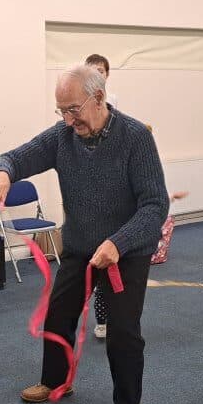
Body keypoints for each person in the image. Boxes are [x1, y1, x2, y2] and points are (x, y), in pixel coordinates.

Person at [0, 64, 168, 404]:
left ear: (98, 98)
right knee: (58, 317)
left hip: (125, 253)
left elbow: (155, 205)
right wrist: (2, 173)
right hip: (81, 247)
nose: (68, 120)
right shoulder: (62, 137)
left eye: (74, 109)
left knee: (122, 331)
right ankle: (55, 381)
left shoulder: (135, 137)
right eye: (61, 110)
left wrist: (119, 242)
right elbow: (16, 157)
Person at [86, 53, 117, 339]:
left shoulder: (114, 106)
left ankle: (110, 318)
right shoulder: (79, 110)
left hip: (112, 198)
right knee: (93, 264)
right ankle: (101, 317)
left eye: (102, 70)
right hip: (90, 198)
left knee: (113, 264)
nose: (98, 74)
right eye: (93, 70)